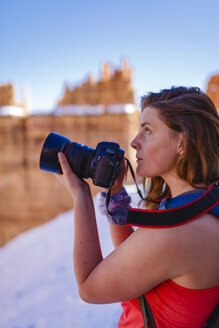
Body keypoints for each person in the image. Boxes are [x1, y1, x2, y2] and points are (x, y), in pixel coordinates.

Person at [56, 86, 219, 328]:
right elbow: (138, 262)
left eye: (148, 131)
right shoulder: (203, 205)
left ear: (181, 143)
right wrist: (116, 194)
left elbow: (89, 288)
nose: (134, 143)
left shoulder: (177, 230)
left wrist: (81, 195)